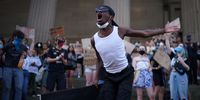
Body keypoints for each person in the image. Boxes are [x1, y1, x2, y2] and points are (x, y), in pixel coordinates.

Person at [91, 5, 180, 100]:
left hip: (125, 75)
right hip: (109, 76)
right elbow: (99, 60)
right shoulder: (94, 39)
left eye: (103, 11)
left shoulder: (120, 31)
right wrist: (96, 77)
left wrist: (164, 30)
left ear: (111, 17)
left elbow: (144, 33)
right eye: (97, 11)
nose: (99, 12)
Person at [2, 30, 28, 100]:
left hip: (18, 69)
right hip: (7, 68)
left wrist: (25, 55)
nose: (20, 40)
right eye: (19, 38)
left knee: (19, 88)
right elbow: (2, 52)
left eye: (21, 39)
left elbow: (25, 56)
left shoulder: (23, 46)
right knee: (7, 87)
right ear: (15, 37)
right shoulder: (8, 45)